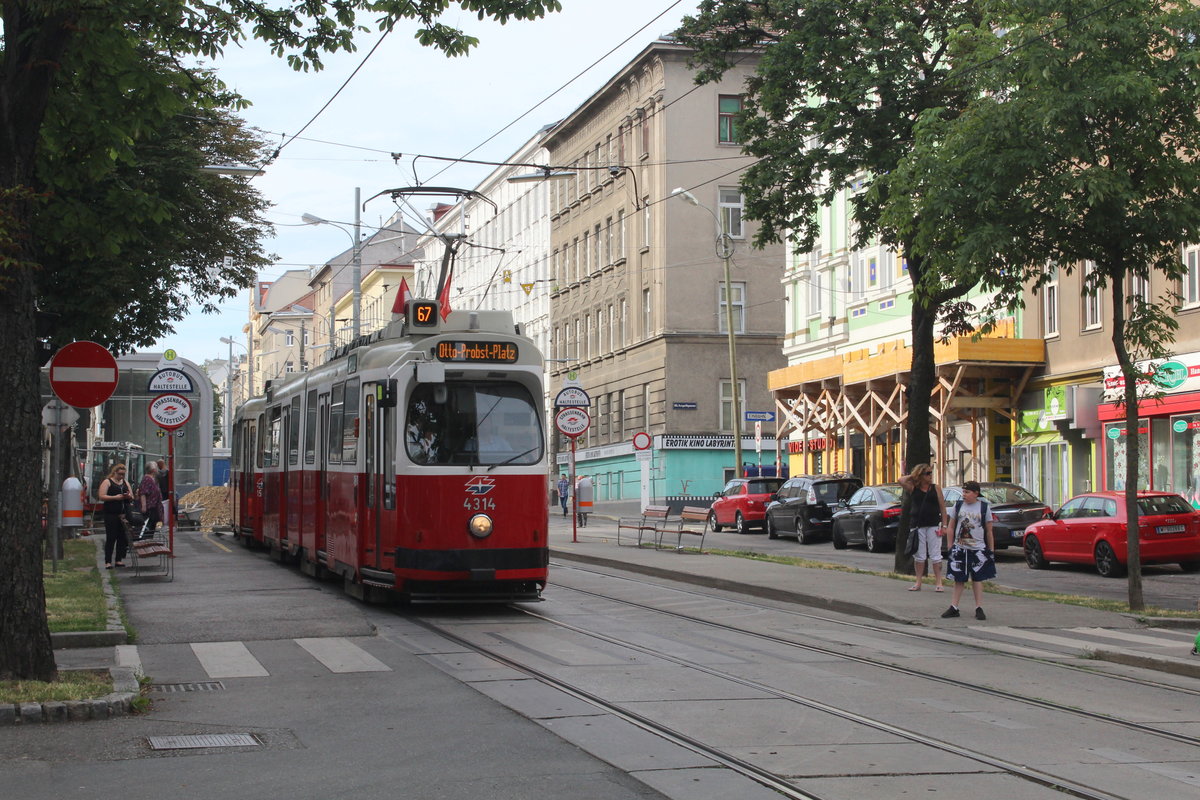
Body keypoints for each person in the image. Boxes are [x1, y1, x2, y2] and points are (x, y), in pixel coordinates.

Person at [942, 480, 996, 620]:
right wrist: (950, 546)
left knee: (977, 579)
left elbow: (989, 531)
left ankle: (979, 607)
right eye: (963, 492)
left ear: (976, 493)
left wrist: (991, 550)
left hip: (978, 549)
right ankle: (954, 606)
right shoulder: (959, 506)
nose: (964, 495)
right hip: (960, 548)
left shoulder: (984, 507)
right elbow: (951, 526)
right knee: (958, 578)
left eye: (967, 492)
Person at [898, 463, 948, 592]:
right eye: (927, 473)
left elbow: (943, 508)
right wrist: (914, 475)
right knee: (920, 555)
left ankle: (939, 582)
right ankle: (918, 582)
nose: (930, 476)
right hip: (917, 525)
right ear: (920, 475)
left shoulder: (935, 488)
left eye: (931, 473)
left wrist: (944, 525)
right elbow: (901, 480)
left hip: (933, 524)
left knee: (936, 554)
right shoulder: (913, 488)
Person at [97, 463, 133, 569]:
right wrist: (115, 497)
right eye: (119, 474)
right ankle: (108, 561)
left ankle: (119, 559)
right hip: (111, 513)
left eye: (123, 474)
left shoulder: (125, 482)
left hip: (123, 513)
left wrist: (128, 496)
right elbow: (102, 496)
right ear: (114, 472)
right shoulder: (107, 482)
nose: (121, 476)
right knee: (111, 537)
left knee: (122, 537)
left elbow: (131, 495)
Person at [138, 464, 163, 540]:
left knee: (152, 527)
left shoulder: (153, 479)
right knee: (148, 526)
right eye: (156, 467)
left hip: (154, 506)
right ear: (153, 470)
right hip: (150, 507)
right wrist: (144, 506)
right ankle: (145, 541)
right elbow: (143, 493)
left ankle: (149, 541)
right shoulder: (147, 479)